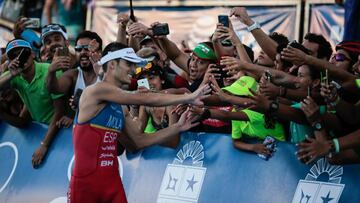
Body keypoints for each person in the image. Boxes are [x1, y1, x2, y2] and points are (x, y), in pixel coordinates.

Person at [68, 42, 210, 203]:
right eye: (128, 63)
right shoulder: (95, 91)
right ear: (112, 64)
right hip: (85, 186)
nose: (133, 69)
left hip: (112, 184)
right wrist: (190, 97)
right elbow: (144, 98)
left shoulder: (121, 107)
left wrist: (177, 127)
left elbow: (137, 142)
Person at [0, 39, 66, 168]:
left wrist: (44, 145)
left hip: (60, 132)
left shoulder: (50, 70)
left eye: (23, 53)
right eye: (14, 56)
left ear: (33, 54)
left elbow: (60, 112)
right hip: (39, 130)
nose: (20, 58)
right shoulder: (15, 76)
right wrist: (11, 74)